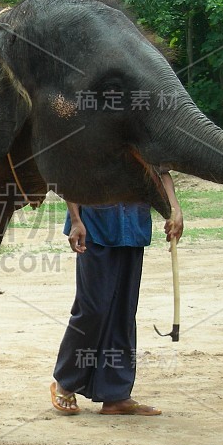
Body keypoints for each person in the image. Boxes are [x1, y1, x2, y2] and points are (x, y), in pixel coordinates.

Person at [50, 171, 183, 415]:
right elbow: (71, 174)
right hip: (95, 228)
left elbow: (161, 170)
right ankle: (66, 380)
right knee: (93, 309)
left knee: (124, 312)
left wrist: (174, 209)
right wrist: (76, 220)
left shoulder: (148, 133)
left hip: (133, 229)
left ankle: (116, 395)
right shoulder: (90, 133)